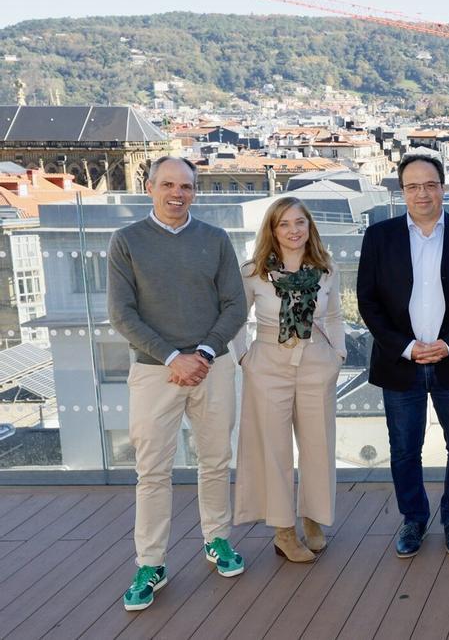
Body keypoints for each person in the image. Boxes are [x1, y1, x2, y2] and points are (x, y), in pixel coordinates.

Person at [108, 156, 248, 611]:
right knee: (152, 471)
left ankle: (217, 540)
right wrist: (172, 356)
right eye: (168, 184)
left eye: (186, 186)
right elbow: (122, 313)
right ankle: (151, 564)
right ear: (149, 188)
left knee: (215, 460)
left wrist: (203, 353)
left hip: (213, 366)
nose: (177, 193)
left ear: (195, 192)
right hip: (154, 371)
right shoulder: (126, 241)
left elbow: (234, 305)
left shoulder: (216, 239)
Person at [357, 154, 449, 558]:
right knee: (403, 449)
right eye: (413, 186)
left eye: (430, 184)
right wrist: (406, 346)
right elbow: (368, 301)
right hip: (401, 362)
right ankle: (413, 519)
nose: (422, 193)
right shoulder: (379, 236)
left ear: (443, 188)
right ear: (402, 192)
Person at [232, 197, 345, 562]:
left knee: (318, 445)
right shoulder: (254, 272)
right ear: (272, 229)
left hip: (315, 362)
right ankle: (283, 530)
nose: (293, 230)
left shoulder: (326, 269)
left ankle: (313, 518)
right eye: (284, 223)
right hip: (268, 364)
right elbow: (233, 316)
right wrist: (244, 357)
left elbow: (335, 317)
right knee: (274, 448)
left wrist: (337, 356)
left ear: (309, 227)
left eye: (300, 222)